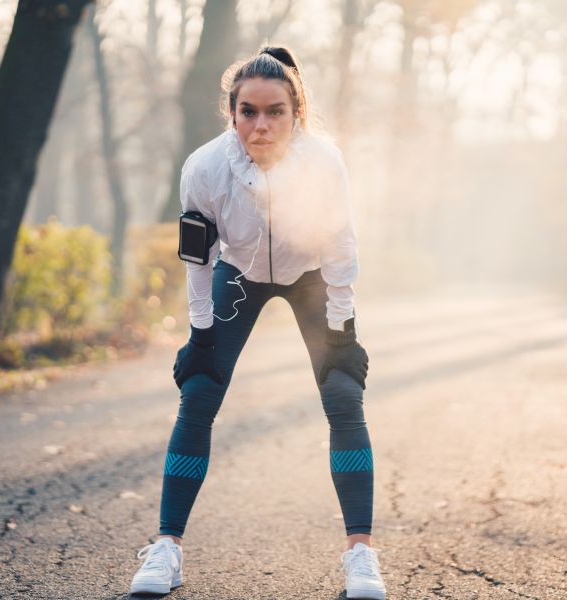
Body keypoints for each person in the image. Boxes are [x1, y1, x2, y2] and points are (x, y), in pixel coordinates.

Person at [129, 45, 385, 600]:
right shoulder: (204, 168)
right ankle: (166, 549)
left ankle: (360, 555)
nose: (261, 124)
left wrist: (341, 329)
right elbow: (198, 260)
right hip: (239, 273)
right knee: (198, 391)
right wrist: (199, 334)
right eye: (249, 111)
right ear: (232, 112)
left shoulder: (324, 162)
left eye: (275, 112)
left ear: (297, 113)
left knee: (343, 393)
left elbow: (340, 245)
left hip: (312, 273)